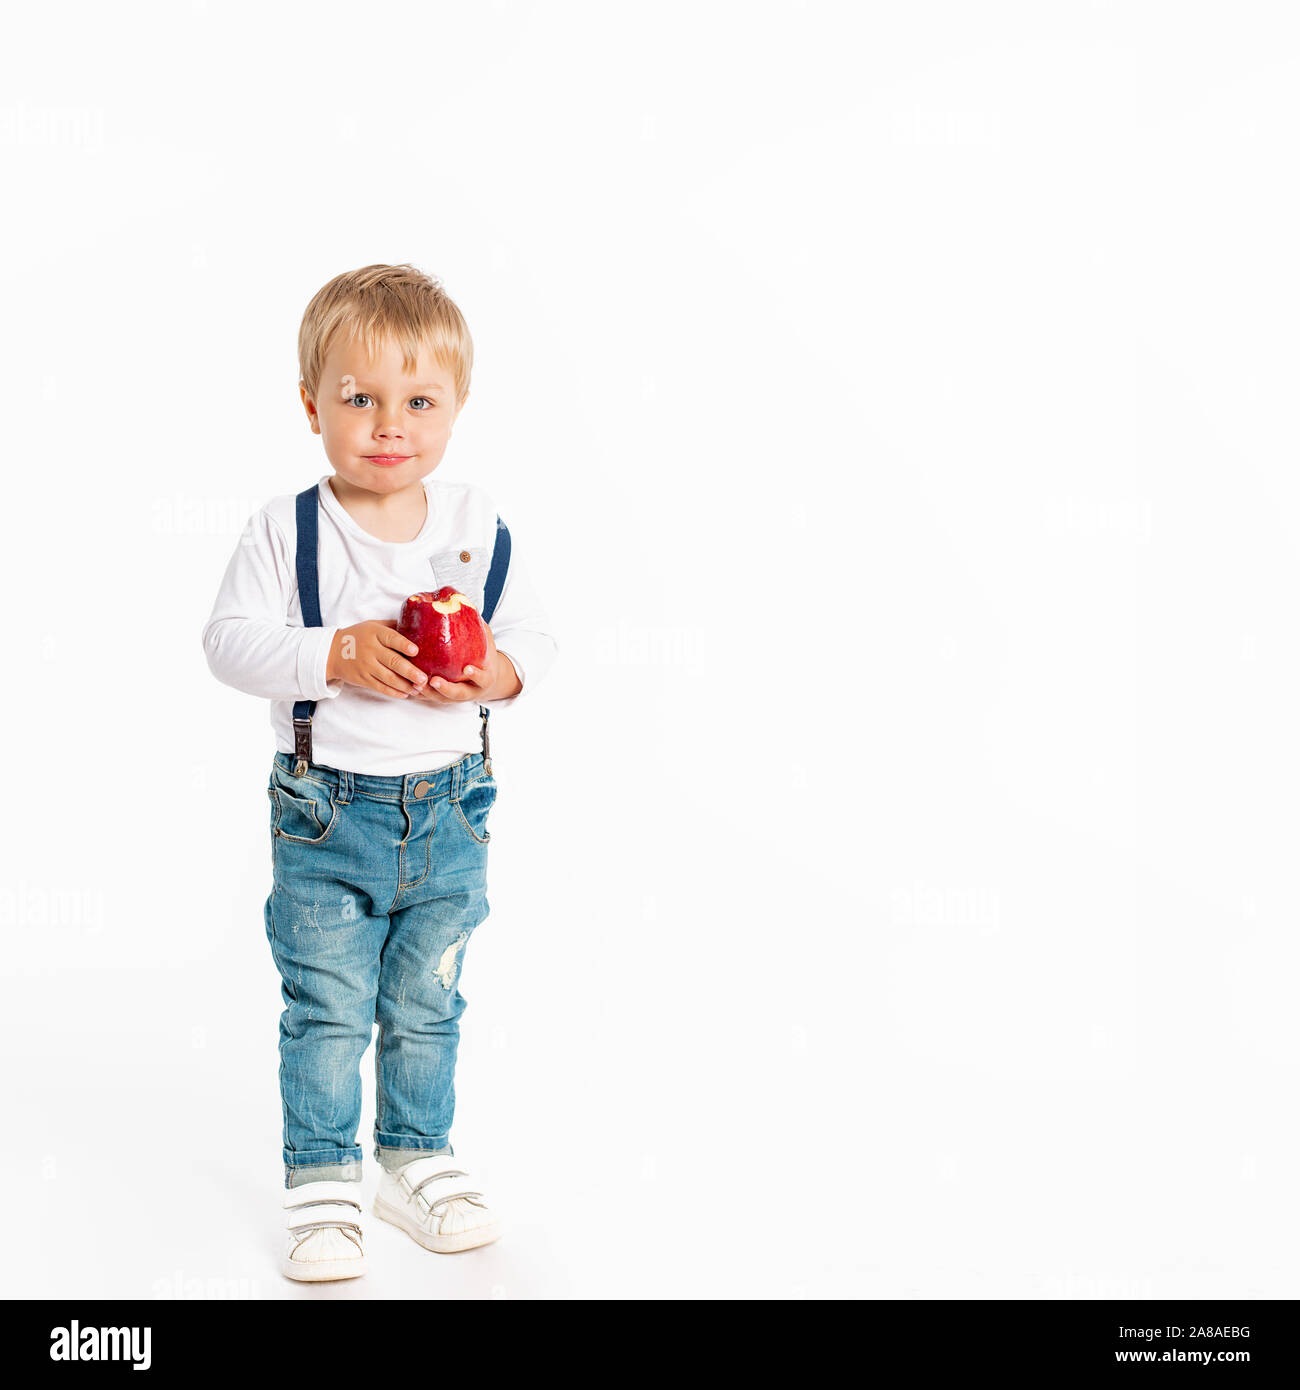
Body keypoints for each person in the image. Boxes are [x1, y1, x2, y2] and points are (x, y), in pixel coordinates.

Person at [201, 263, 558, 1281]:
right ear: (312, 404)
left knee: (427, 999)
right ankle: (321, 1179)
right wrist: (332, 653)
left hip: (450, 809)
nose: (388, 423)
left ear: (457, 406)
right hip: (328, 813)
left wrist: (494, 670)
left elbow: (536, 636)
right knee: (325, 1006)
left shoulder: (475, 526)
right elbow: (227, 642)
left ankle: (413, 1155)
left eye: (418, 401)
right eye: (358, 398)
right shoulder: (288, 530)